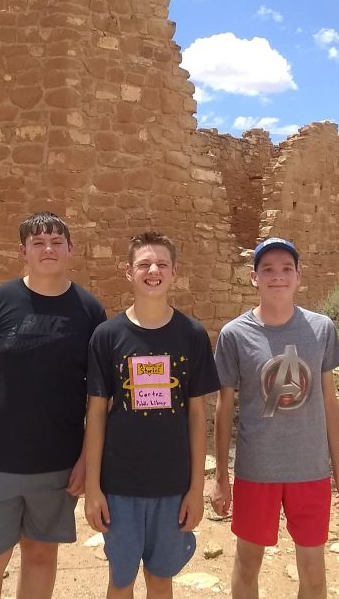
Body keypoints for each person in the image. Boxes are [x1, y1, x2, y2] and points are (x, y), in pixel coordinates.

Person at [0, 212, 107, 599]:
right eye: (38, 243)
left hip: (57, 465)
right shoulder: (0, 302)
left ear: (71, 249)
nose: (48, 249)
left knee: (40, 555)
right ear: (22, 251)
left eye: (57, 241)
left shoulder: (89, 311)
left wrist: (88, 459)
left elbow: (98, 396)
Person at [211, 236, 339, 599]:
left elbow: (328, 400)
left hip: (310, 470)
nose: (278, 276)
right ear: (253, 277)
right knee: (247, 564)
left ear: (298, 276)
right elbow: (224, 407)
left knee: (313, 571)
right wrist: (222, 479)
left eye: (286, 269)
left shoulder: (321, 328)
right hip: (257, 470)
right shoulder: (235, 334)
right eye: (268, 269)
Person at [83, 231, 220, 599]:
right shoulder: (107, 336)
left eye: (161, 264)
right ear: (128, 272)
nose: (153, 270)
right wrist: (93, 488)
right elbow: (96, 414)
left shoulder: (191, 335)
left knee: (161, 580)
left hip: (172, 486)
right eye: (144, 264)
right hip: (119, 485)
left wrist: (195, 488)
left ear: (174, 272)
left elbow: (196, 415)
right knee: (121, 581)